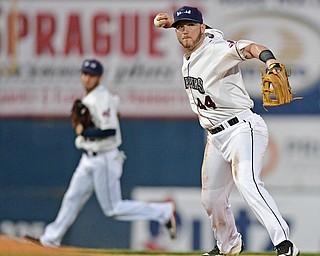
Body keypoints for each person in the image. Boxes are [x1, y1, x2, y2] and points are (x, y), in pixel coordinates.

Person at [154, 6, 299, 256]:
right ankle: (228, 245)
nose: (184, 30)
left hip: (242, 128)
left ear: (202, 26)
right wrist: (172, 24)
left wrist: (270, 59)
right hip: (215, 136)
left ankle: (285, 244)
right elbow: (192, 33)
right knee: (211, 200)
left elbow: (251, 47)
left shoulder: (217, 48)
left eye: (189, 25)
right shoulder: (194, 44)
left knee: (247, 181)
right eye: (180, 27)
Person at [25, 58, 176, 247]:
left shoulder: (101, 98)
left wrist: (85, 131)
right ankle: (51, 238)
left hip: (104, 159)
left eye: (92, 75)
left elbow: (110, 130)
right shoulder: (96, 98)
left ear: (100, 77)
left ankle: (163, 212)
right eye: (85, 74)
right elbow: (116, 107)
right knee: (72, 197)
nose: (87, 78)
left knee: (113, 208)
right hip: (88, 158)